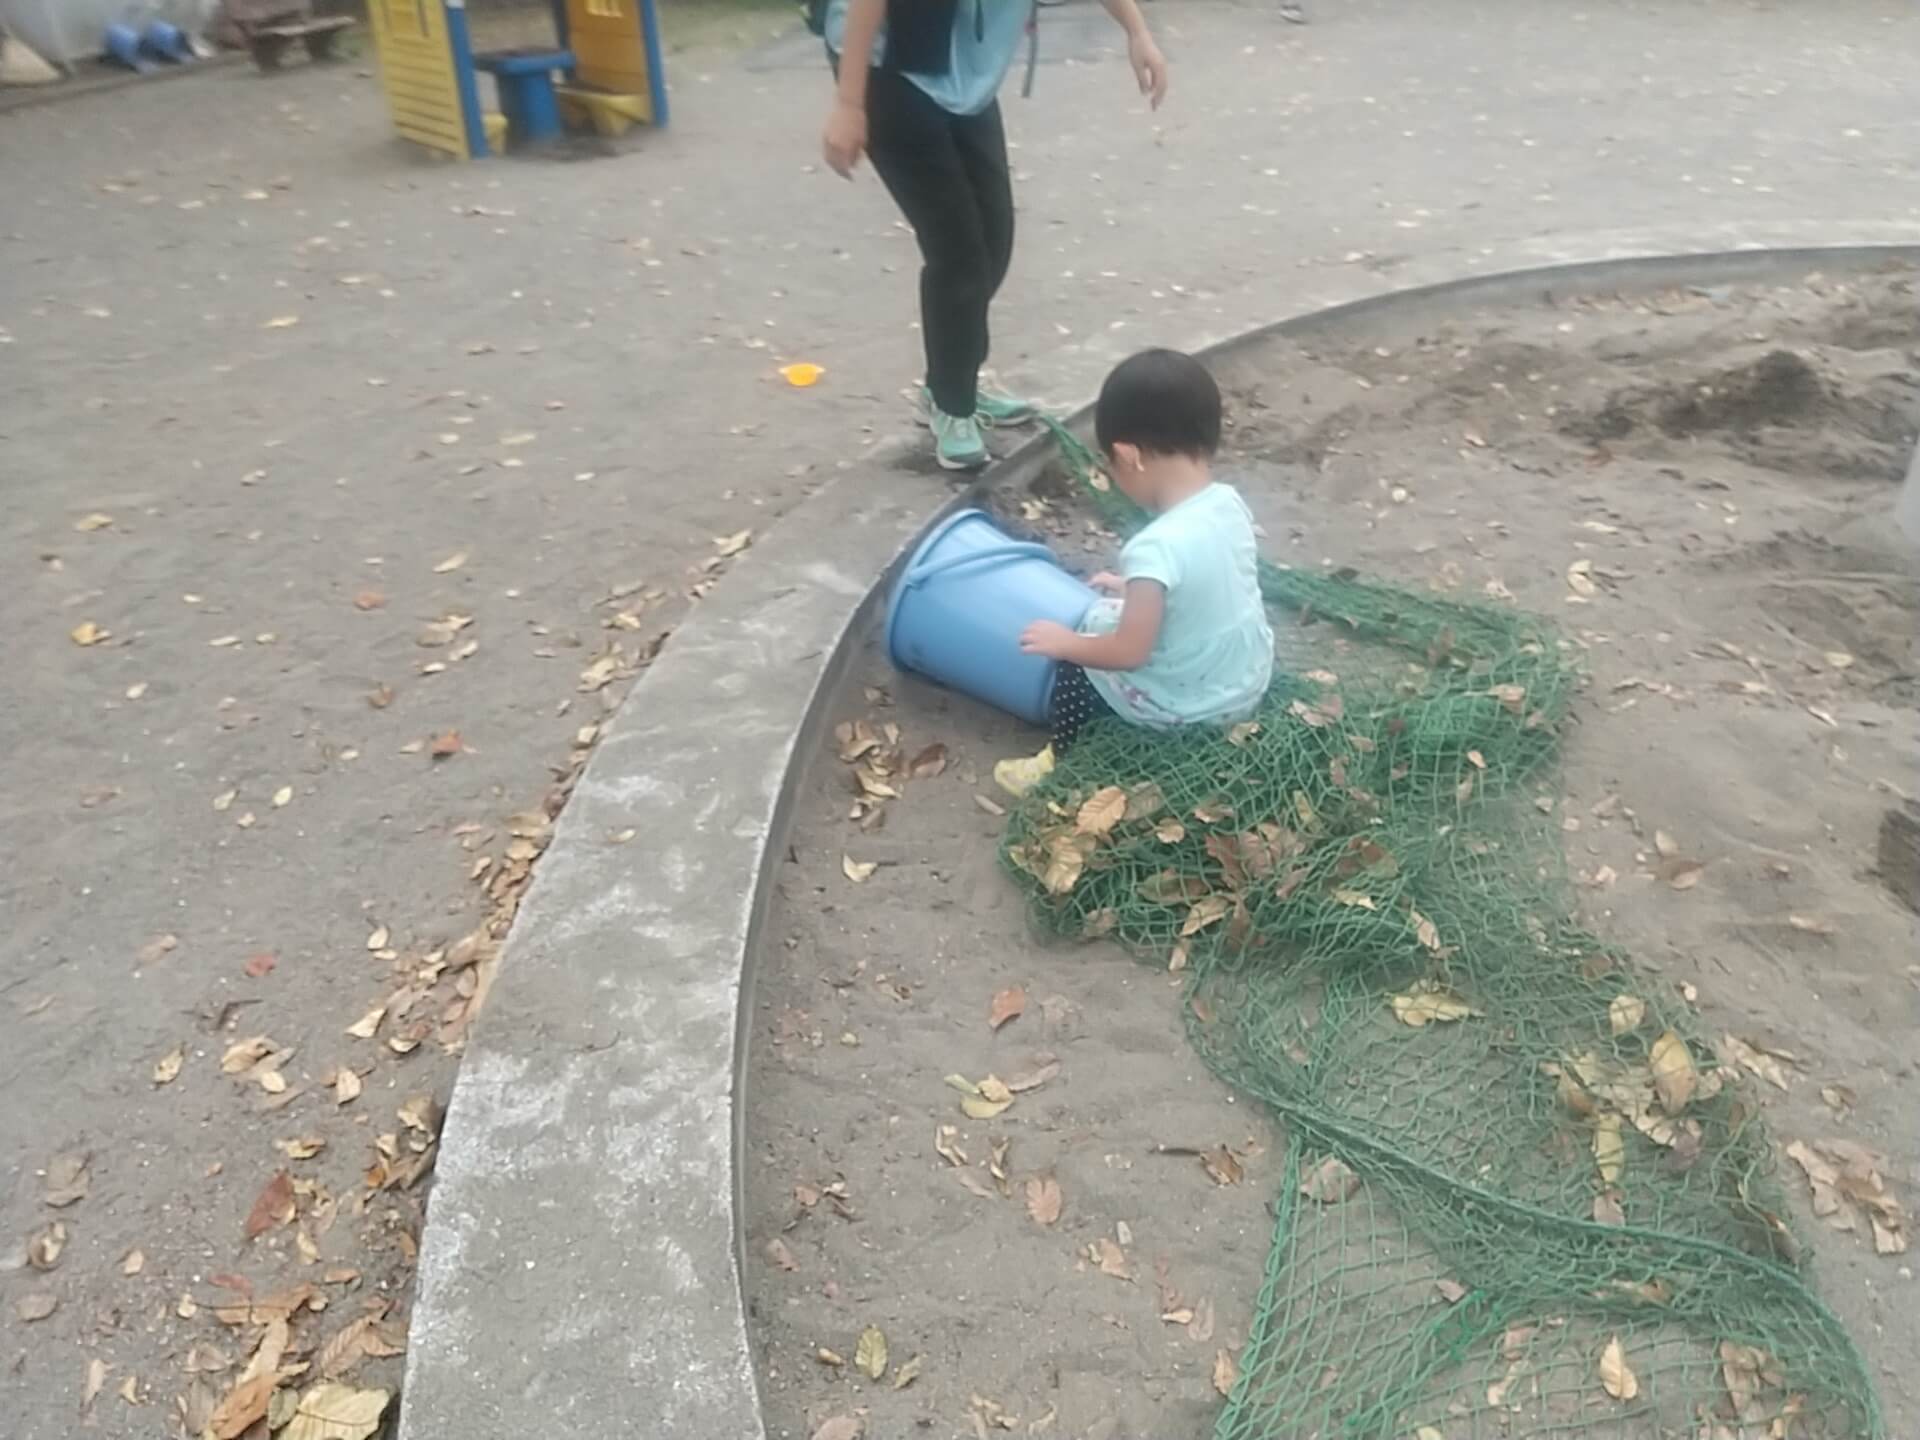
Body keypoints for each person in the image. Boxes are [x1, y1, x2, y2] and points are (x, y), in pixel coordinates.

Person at [820, 0, 1169, 471]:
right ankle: (952, 405)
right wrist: (849, 103)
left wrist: (1137, 32)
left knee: (994, 243)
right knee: (959, 254)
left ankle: (953, 376)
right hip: (890, 73)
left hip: (967, 79)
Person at [999, 349, 1274, 790]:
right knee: (1108, 616)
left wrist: (1066, 643)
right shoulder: (1229, 504)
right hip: (1245, 682)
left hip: (1191, 706)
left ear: (1129, 456)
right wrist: (1136, 591)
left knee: (1084, 645)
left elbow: (1129, 653)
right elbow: (1208, 581)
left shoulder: (1154, 548)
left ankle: (1060, 760)